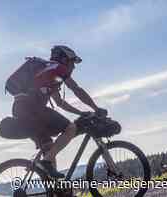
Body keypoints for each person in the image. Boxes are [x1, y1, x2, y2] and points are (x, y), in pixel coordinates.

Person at [8, 45, 107, 178]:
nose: (74, 67)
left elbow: (60, 103)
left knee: (49, 150)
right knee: (71, 128)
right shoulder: (58, 68)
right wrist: (95, 108)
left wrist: (80, 113)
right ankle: (46, 162)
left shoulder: (48, 72)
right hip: (32, 108)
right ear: (65, 60)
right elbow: (77, 89)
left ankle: (53, 188)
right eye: (72, 62)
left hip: (19, 110)